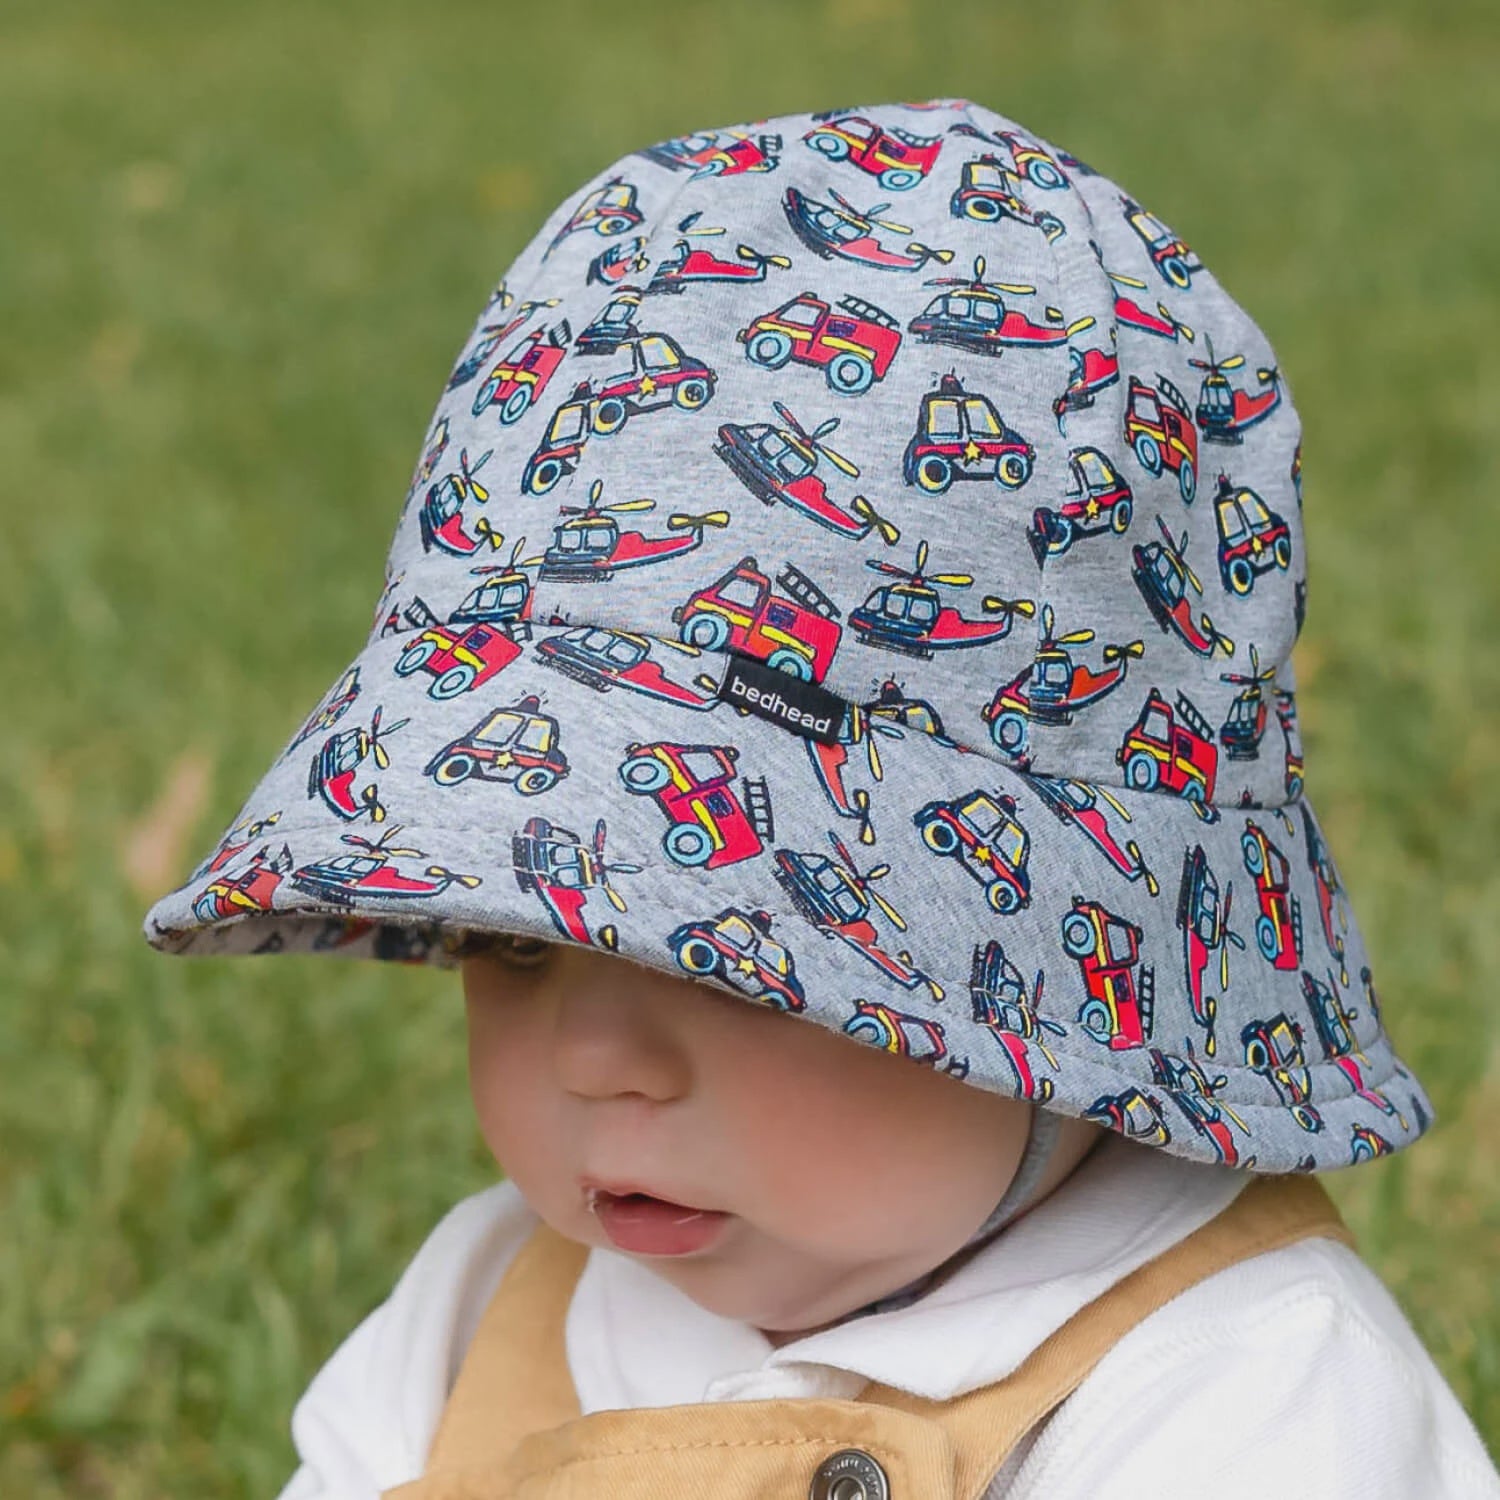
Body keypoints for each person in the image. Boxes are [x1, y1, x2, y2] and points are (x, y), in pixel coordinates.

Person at [143, 98, 1500, 1498]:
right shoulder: (483, 1317)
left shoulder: (1246, 1397)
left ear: (1074, 980)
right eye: (517, 939)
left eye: (736, 960)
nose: (596, 1060)